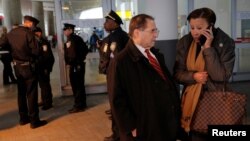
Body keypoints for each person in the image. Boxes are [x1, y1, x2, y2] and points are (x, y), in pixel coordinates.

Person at [109, 14, 181, 141]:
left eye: (156, 30)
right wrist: (131, 127)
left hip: (163, 125)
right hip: (144, 131)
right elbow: (117, 99)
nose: (156, 35)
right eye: (152, 30)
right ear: (137, 33)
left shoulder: (155, 55)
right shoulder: (121, 62)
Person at [173, 7, 235, 141]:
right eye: (192, 27)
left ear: (211, 26)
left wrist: (208, 48)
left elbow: (221, 76)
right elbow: (177, 74)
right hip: (192, 103)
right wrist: (193, 76)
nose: (195, 32)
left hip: (216, 101)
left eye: (199, 28)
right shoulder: (185, 42)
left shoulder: (225, 42)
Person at [0, 15, 47, 129]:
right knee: (31, 94)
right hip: (28, 67)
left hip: (17, 67)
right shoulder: (28, 34)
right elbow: (36, 51)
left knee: (21, 94)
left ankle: (23, 118)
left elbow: (1, 45)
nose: (33, 28)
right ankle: (34, 121)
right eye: (34, 25)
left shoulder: (11, 33)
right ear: (30, 23)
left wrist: (13, 52)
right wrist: (41, 49)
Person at [97, 10, 129, 141]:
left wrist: (107, 70)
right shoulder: (116, 35)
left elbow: (114, 58)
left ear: (114, 23)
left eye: (107, 22)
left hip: (116, 75)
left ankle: (117, 135)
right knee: (117, 105)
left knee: (117, 106)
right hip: (116, 74)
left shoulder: (117, 37)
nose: (104, 24)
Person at [63, 23, 89, 113]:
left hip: (75, 66)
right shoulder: (76, 38)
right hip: (78, 65)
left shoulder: (72, 40)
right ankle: (82, 104)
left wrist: (73, 62)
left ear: (70, 30)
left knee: (76, 86)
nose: (64, 31)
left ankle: (78, 106)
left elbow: (72, 54)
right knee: (80, 85)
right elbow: (85, 49)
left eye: (65, 30)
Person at [34, 27, 55, 111]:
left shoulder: (43, 42)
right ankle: (44, 100)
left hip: (44, 67)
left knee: (45, 85)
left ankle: (48, 103)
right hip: (39, 67)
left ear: (40, 33)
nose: (36, 35)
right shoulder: (37, 41)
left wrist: (47, 68)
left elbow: (47, 57)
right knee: (42, 85)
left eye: (36, 33)